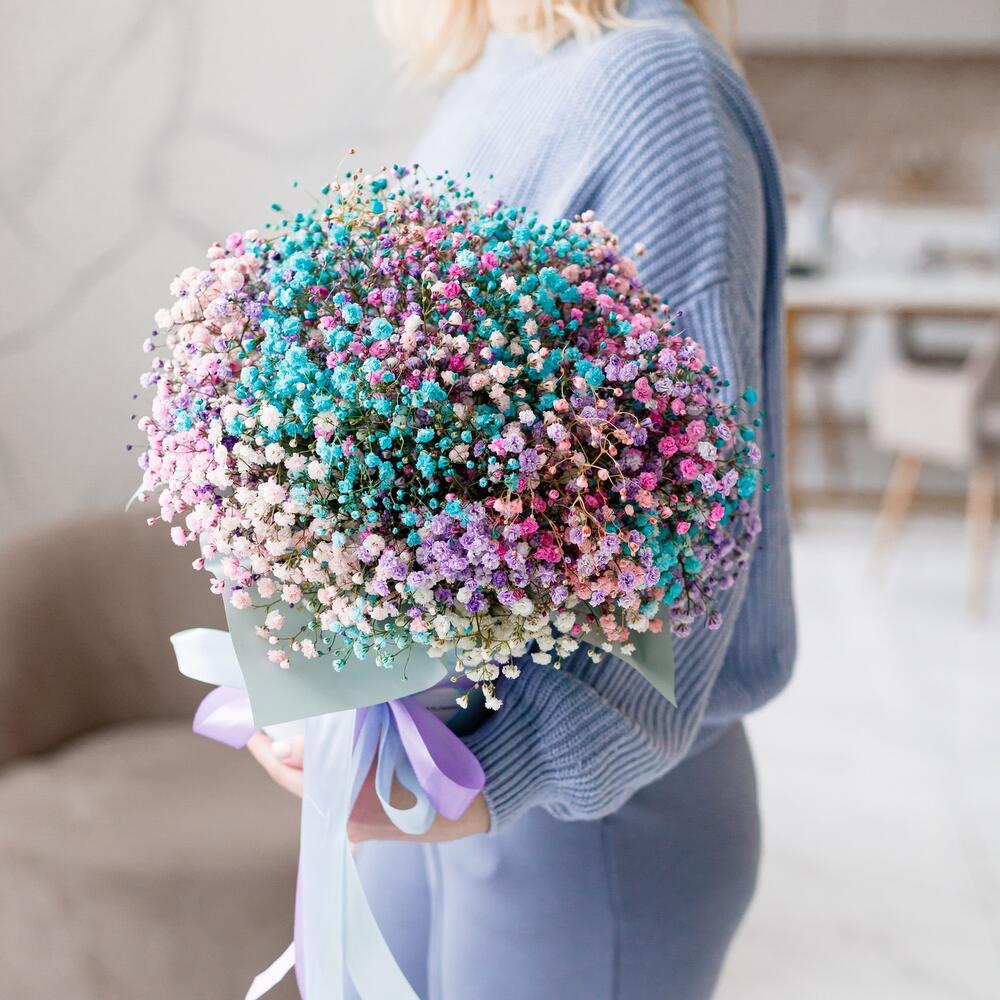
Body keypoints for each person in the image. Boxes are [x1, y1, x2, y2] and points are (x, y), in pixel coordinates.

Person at [248, 1, 796, 996]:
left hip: (596, 823)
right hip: (443, 765)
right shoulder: (495, 71)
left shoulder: (653, 84)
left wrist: (497, 768)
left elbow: (693, 522)